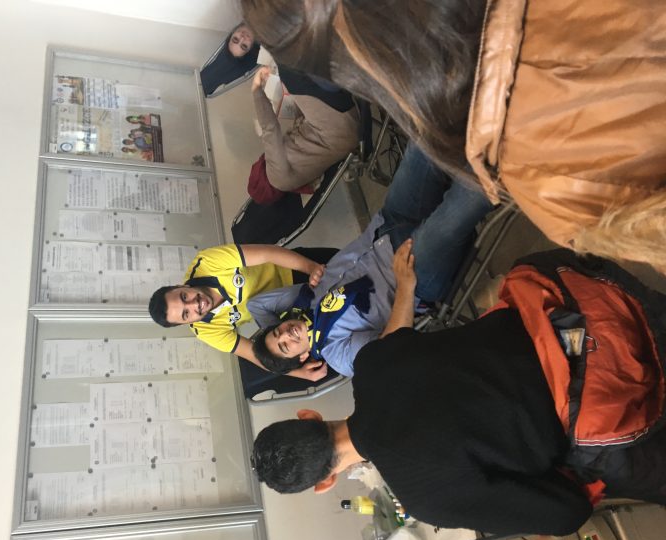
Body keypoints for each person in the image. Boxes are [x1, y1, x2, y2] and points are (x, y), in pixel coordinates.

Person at [252, 249, 666, 536]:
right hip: (579, 305)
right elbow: (396, 334)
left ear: (325, 482)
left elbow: (568, 513)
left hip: (605, 395)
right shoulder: (372, 366)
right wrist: (405, 285)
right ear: (308, 416)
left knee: (618, 470)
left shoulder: (426, 498)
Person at [240, 0, 666, 273]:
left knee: (431, 168)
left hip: (452, 140)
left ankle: (474, 169)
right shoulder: (280, 176)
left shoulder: (552, 194)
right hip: (387, 197)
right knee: (424, 202)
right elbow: (279, 131)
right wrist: (260, 95)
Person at [248, 143, 493, 377]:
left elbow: (256, 305)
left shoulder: (302, 301)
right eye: (285, 346)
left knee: (423, 141)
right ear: (302, 357)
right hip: (413, 272)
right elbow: (390, 347)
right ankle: (502, 145)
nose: (286, 334)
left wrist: (274, 342)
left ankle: (483, 124)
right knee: (467, 195)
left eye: (277, 332)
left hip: (387, 226)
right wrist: (406, 287)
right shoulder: (336, 353)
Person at [148, 244, 333, 381]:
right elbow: (256, 354)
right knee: (292, 349)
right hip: (288, 317)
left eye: (184, 297)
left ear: (181, 286)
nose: (194, 304)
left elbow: (269, 253)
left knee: (342, 267)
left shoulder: (206, 263)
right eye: (186, 314)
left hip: (291, 271)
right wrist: (298, 373)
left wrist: (311, 269)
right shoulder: (205, 331)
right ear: (187, 323)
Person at [251, 64, 358, 194]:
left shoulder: (292, 182)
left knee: (293, 80)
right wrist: (256, 89)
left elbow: (303, 129)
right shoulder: (275, 178)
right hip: (338, 126)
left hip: (345, 135)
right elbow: (270, 128)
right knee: (289, 72)